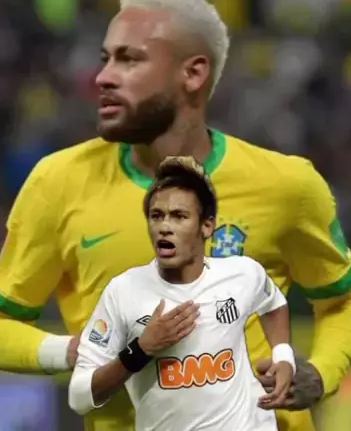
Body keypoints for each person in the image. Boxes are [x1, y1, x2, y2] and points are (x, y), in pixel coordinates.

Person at [0, 0, 351, 431]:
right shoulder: (57, 183)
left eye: (129, 60)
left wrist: (321, 373)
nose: (103, 77)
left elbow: (343, 300)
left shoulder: (286, 184)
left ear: (193, 74)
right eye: (106, 59)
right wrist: (75, 351)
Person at [69, 156, 296, 431]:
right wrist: (140, 350)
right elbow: (79, 397)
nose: (165, 226)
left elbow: (273, 303)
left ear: (207, 226)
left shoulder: (243, 274)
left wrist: (283, 356)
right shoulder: (123, 292)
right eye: (157, 216)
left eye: (179, 216)